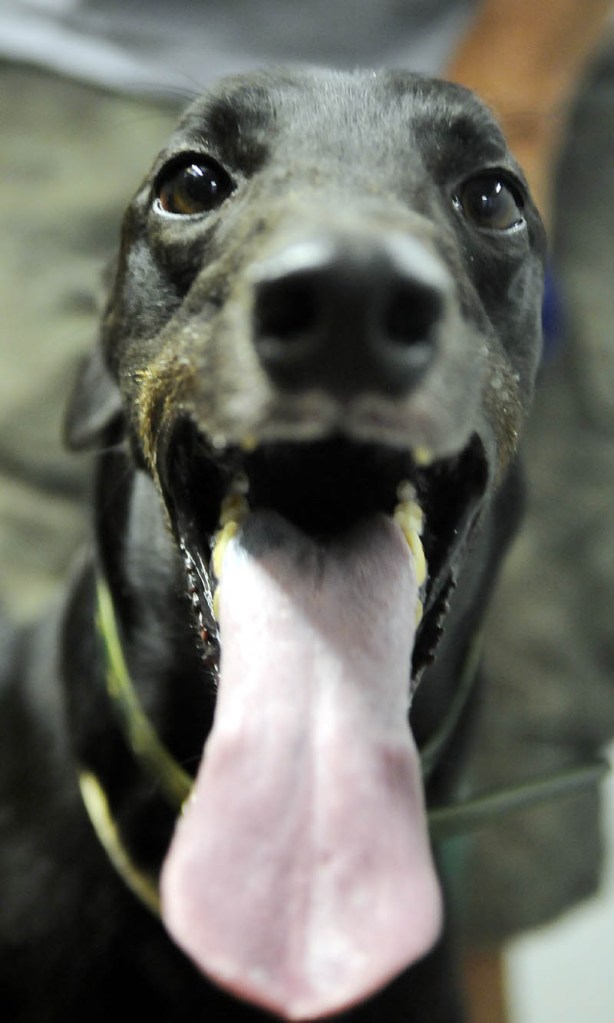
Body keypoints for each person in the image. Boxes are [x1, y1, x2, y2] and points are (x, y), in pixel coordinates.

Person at [1, 3, 613, 1019]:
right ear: (107, 344)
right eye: (195, 190)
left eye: (486, 204)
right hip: (74, 75)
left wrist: (519, 101)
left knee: (494, 879)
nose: (352, 283)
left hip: (517, 49)